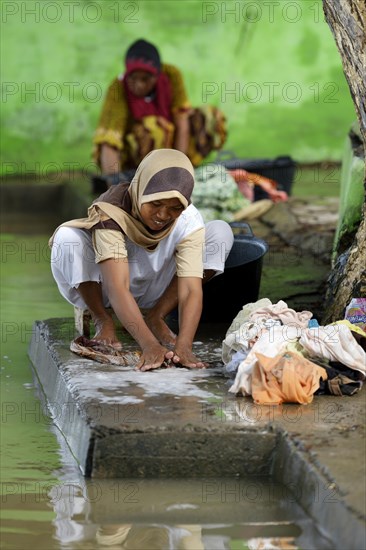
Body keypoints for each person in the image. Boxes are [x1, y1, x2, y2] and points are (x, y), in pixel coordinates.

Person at [50, 149, 234, 371]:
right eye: (155, 204)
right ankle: (102, 319)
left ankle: (156, 316)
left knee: (220, 232)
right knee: (68, 237)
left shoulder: (187, 217)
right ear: (141, 190)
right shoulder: (111, 211)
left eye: (174, 208)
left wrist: (184, 346)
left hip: (157, 285)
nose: (163, 215)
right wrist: (149, 345)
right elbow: (117, 287)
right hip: (107, 288)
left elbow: (190, 290)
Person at [92, 38, 227, 186]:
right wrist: (115, 186)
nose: (139, 85)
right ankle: (147, 180)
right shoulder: (118, 88)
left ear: (156, 75)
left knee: (209, 117)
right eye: (133, 78)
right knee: (154, 129)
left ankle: (179, 172)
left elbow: (182, 123)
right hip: (135, 154)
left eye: (145, 79)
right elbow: (109, 142)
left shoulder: (171, 76)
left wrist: (178, 171)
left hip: (170, 145)